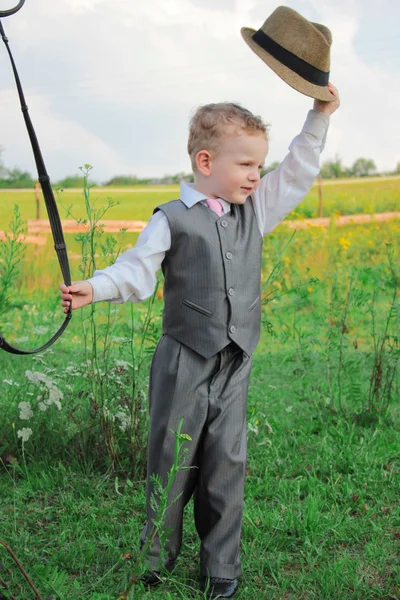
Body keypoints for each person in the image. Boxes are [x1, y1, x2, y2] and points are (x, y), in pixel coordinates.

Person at [60, 85, 340, 598]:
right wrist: (93, 288)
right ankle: (155, 556)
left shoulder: (256, 210)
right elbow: (135, 271)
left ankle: (222, 567)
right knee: (171, 459)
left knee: (227, 462)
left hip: (235, 360)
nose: (257, 175)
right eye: (247, 165)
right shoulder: (171, 218)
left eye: (261, 165)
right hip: (183, 360)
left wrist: (319, 116)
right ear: (206, 160)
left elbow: (298, 171)